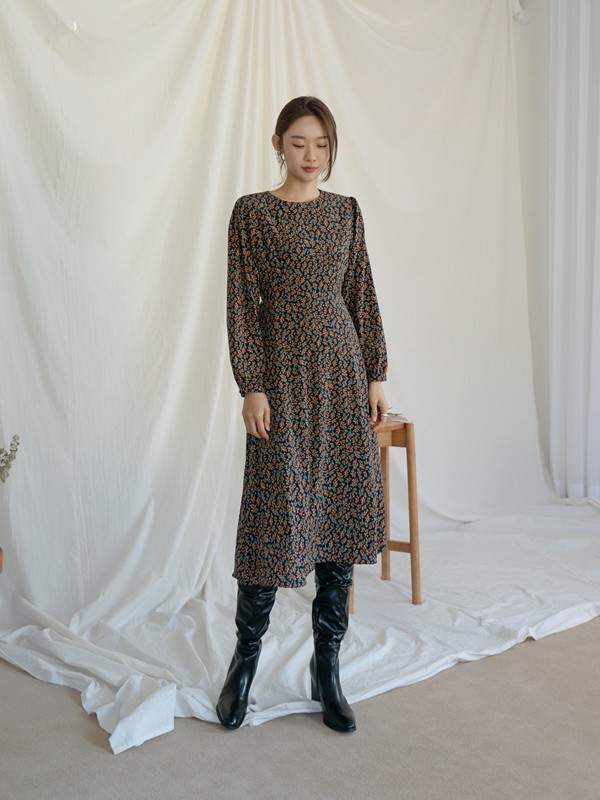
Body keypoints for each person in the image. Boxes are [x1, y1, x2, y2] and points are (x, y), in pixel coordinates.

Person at [218, 96, 389, 733]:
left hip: (341, 377)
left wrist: (375, 373)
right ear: (277, 144)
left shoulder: (346, 212)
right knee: (271, 516)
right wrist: (252, 385)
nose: (311, 155)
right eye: (299, 142)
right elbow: (240, 301)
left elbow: (361, 292)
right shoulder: (253, 213)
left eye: (321, 143)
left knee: (339, 517)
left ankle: (327, 666)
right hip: (282, 381)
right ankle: (244, 662)